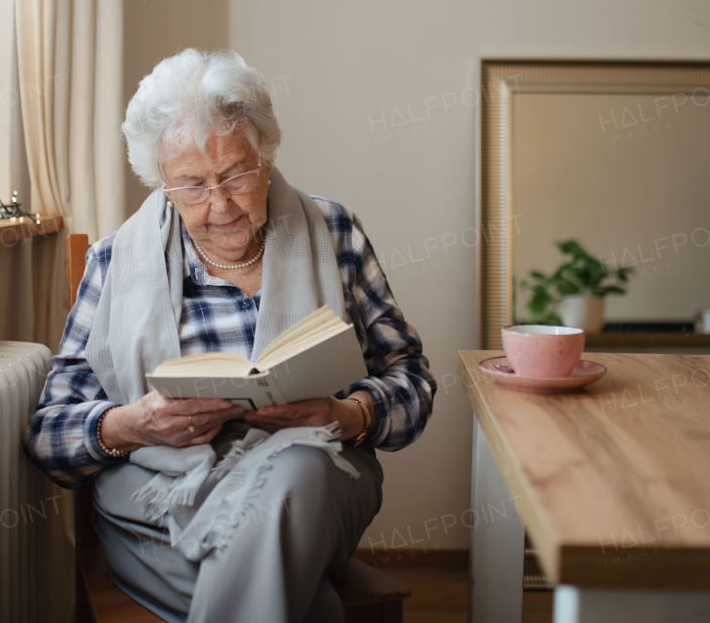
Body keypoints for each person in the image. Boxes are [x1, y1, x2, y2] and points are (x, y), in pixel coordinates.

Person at [26, 49, 436, 623]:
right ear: (161, 183)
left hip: (311, 483)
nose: (219, 204)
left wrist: (348, 416)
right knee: (302, 600)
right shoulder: (115, 261)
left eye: (236, 174)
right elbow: (49, 436)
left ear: (265, 156)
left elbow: (412, 380)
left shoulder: (334, 231)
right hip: (160, 503)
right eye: (191, 186)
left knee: (296, 473)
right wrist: (130, 424)